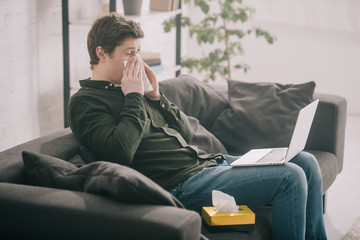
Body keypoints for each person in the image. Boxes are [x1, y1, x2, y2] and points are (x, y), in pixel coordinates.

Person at [68, 12, 327, 240]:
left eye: (138, 53)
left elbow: (186, 132)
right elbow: (119, 152)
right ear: (101, 53)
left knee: (305, 161)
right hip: (183, 186)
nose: (136, 62)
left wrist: (157, 98)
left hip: (210, 164)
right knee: (289, 176)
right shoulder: (85, 103)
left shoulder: (132, 88)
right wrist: (134, 97)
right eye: (129, 54)